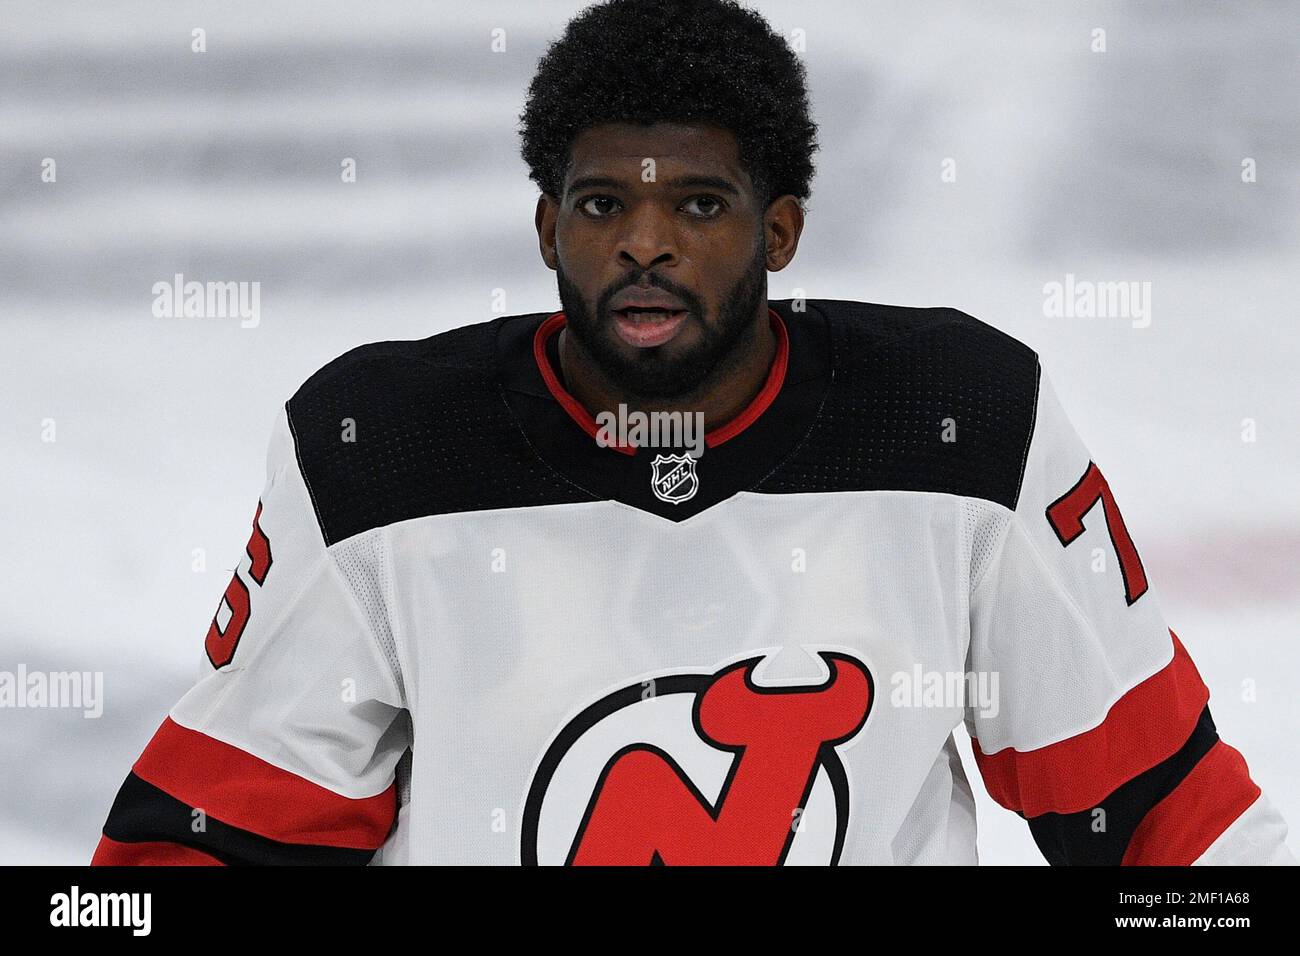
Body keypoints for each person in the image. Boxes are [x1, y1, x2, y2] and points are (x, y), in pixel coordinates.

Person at [93, 0, 1292, 865]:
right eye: (604, 202)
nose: (645, 244)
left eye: (699, 205)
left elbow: (1157, 814)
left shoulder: (961, 425)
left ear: (779, 232)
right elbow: (212, 841)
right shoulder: (381, 452)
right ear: (546, 226)